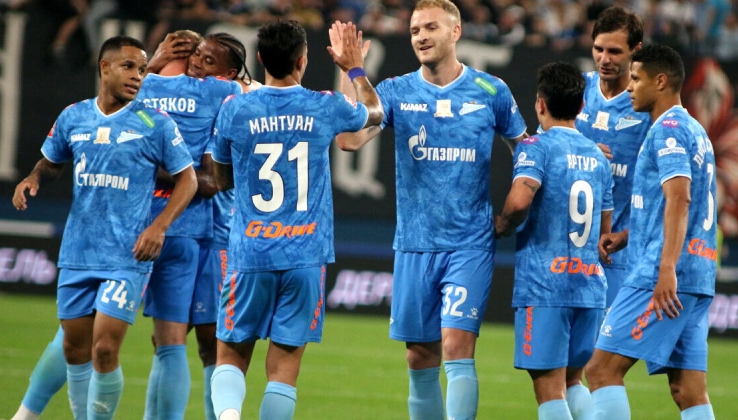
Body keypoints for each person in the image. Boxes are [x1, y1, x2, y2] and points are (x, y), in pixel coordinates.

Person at [332, 0, 528, 417]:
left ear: (455, 32)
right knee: (419, 357)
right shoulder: (396, 91)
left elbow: (525, 150)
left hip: (470, 243)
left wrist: (521, 201)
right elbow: (349, 140)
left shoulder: (491, 91)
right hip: (415, 244)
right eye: (415, 30)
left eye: (430, 27)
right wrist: (352, 72)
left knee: (457, 347)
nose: (420, 36)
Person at [12, 35, 197, 420]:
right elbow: (52, 161)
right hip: (79, 252)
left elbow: (188, 179)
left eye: (143, 69)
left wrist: (159, 226)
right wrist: (33, 177)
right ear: (105, 68)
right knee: (74, 350)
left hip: (127, 257)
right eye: (129, 67)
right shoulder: (73, 116)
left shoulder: (155, 123)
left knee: (105, 349)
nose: (138, 76)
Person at [209, 20, 383, 420]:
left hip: (250, 252)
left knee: (231, 358)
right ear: (303, 60)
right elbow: (374, 113)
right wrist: (354, 68)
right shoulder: (325, 105)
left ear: (260, 58)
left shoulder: (235, 108)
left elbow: (221, 179)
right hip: (305, 256)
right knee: (284, 372)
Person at [585, 44, 717, 420]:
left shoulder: (668, 131)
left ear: (660, 82)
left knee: (601, 370)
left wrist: (666, 268)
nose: (629, 87)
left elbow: (680, 198)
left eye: (636, 79)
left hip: (662, 275)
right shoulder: (695, 129)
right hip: (698, 275)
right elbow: (678, 205)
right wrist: (627, 235)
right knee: (688, 389)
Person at [494, 61, 613, 420]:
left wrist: (502, 224)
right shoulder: (598, 156)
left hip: (545, 286)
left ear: (540, 104)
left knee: (548, 386)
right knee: (573, 380)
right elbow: (605, 229)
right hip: (589, 286)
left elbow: (519, 202)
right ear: (581, 106)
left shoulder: (535, 147)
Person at [137, 30, 245, 420]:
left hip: (218, 234)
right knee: (170, 340)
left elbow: (213, 182)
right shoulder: (202, 98)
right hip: (192, 229)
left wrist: (146, 168)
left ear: (229, 73)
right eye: (197, 54)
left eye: (208, 60)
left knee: (210, 344)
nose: (197, 62)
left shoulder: (229, 101)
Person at [569, 8, 650, 418]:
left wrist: (632, 236)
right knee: (566, 371)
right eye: (599, 49)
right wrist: (581, 151)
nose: (604, 58)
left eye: (615, 51)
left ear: (636, 50)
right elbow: (542, 150)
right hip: (570, 250)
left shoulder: (647, 105)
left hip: (619, 255)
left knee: (600, 367)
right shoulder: (576, 91)